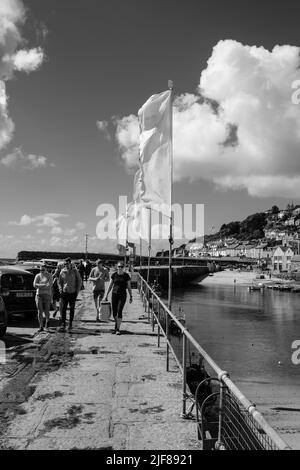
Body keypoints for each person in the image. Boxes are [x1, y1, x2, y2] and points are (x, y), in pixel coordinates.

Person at [104, 262, 132, 335]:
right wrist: (106, 295)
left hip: (122, 295)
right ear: (117, 267)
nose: (120, 268)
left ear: (124, 267)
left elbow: (129, 287)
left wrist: (131, 296)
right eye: (119, 266)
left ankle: (118, 329)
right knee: (114, 313)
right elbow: (110, 285)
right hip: (114, 295)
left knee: (119, 311)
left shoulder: (126, 276)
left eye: (121, 267)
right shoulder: (114, 275)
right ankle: (117, 324)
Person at [58, 257, 82, 332]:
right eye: (65, 264)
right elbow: (59, 282)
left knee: (72, 308)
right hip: (65, 293)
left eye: (67, 263)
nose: (66, 265)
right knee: (63, 308)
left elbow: (79, 281)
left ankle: (70, 323)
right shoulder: (62, 271)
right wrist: (60, 289)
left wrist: (77, 291)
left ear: (70, 263)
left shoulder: (75, 271)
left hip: (73, 293)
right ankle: (63, 323)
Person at [33, 264, 53, 332]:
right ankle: (41, 326)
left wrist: (39, 286)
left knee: (46, 311)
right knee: (40, 311)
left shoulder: (49, 275)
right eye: (40, 270)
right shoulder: (38, 275)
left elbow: (49, 286)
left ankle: (47, 320)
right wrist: (44, 285)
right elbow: (34, 285)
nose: (41, 271)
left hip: (47, 295)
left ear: (46, 269)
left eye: (43, 270)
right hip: (39, 295)